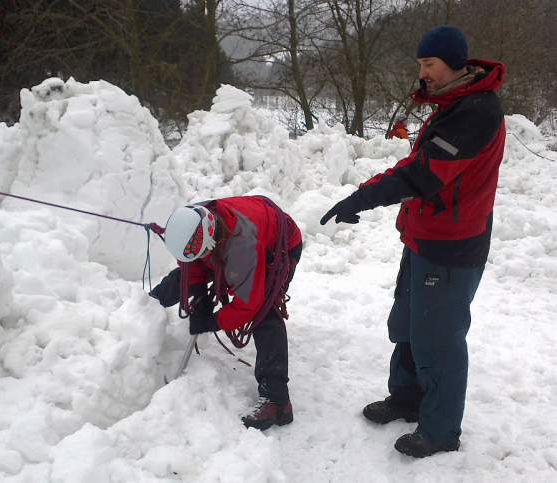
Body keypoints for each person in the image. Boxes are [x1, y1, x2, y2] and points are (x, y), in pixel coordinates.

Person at [320, 25, 505, 458]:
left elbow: (420, 174)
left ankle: (440, 430)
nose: (423, 74)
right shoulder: (455, 101)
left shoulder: (476, 111)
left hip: (452, 246)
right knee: (406, 325)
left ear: (454, 63)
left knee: (437, 340)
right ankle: (408, 397)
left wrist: (362, 197)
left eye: (429, 65)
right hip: (425, 236)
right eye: (420, 65)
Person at [150, 196, 303, 430]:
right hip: (230, 239)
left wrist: (213, 320)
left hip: (279, 244)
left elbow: (248, 304)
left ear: (211, 241)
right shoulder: (194, 222)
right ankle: (146, 309)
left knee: (265, 309)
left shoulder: (242, 246)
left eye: (203, 254)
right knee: (184, 280)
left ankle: (277, 400)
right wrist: (200, 296)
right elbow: (190, 263)